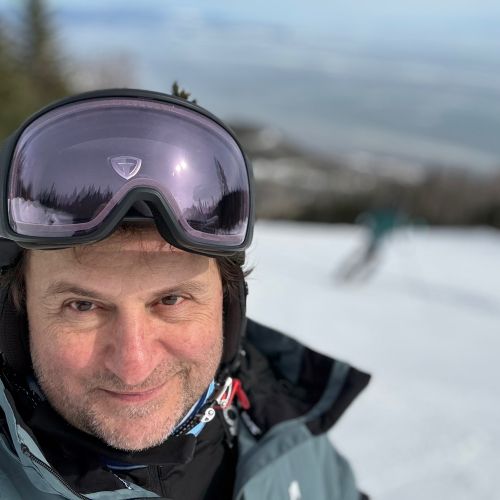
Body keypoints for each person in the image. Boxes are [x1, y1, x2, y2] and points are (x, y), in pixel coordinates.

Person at [0, 88, 370, 499]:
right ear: (18, 314)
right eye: (83, 306)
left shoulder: (293, 446)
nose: (133, 366)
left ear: (227, 305)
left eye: (171, 300)